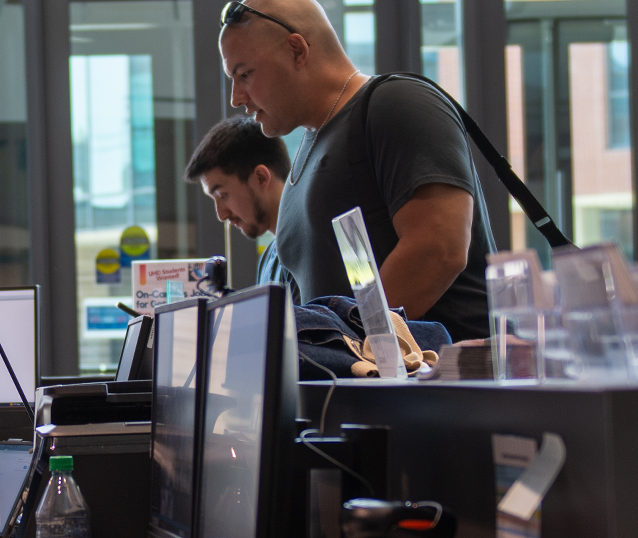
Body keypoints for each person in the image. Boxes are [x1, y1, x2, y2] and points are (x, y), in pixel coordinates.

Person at [219, 0, 492, 340]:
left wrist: (341, 342)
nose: (236, 97)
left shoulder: (397, 102)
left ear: (297, 50)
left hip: (445, 385)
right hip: (364, 386)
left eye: (244, 74)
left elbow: (440, 249)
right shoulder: (305, 154)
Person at [182, 115, 291, 285]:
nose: (221, 215)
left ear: (261, 178)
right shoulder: (269, 259)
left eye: (223, 195)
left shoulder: (307, 251)